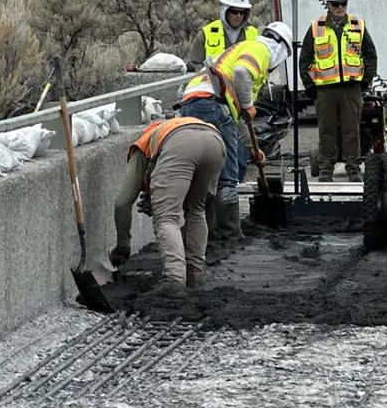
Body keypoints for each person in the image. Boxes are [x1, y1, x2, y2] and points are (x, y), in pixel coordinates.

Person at [176, 21, 293, 239]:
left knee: (205, 174)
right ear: (280, 50)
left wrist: (252, 149)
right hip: (212, 103)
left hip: (193, 101)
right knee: (226, 176)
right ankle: (231, 234)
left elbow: (238, 118)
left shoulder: (241, 49)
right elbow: (241, 73)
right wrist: (249, 104)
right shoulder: (260, 49)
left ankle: (205, 234)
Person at [109, 115, 225, 289]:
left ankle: (175, 280)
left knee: (167, 218)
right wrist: (152, 196)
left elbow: (122, 203)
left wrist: (123, 245)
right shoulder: (170, 129)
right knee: (196, 209)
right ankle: (195, 275)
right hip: (214, 141)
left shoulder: (142, 145)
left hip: (181, 143)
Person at [299, 0, 377, 181]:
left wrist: (365, 81)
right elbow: (305, 59)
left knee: (352, 130)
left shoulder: (358, 26)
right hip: (325, 90)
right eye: (336, 4)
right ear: (328, 5)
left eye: (343, 3)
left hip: (352, 88)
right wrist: (311, 88)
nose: (340, 7)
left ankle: (353, 169)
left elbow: (370, 54)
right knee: (327, 131)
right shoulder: (316, 27)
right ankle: (326, 170)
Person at [187, 0, 258, 66]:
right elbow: (194, 66)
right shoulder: (206, 34)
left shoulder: (255, 34)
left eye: (242, 12)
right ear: (225, 10)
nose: (238, 16)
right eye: (234, 11)